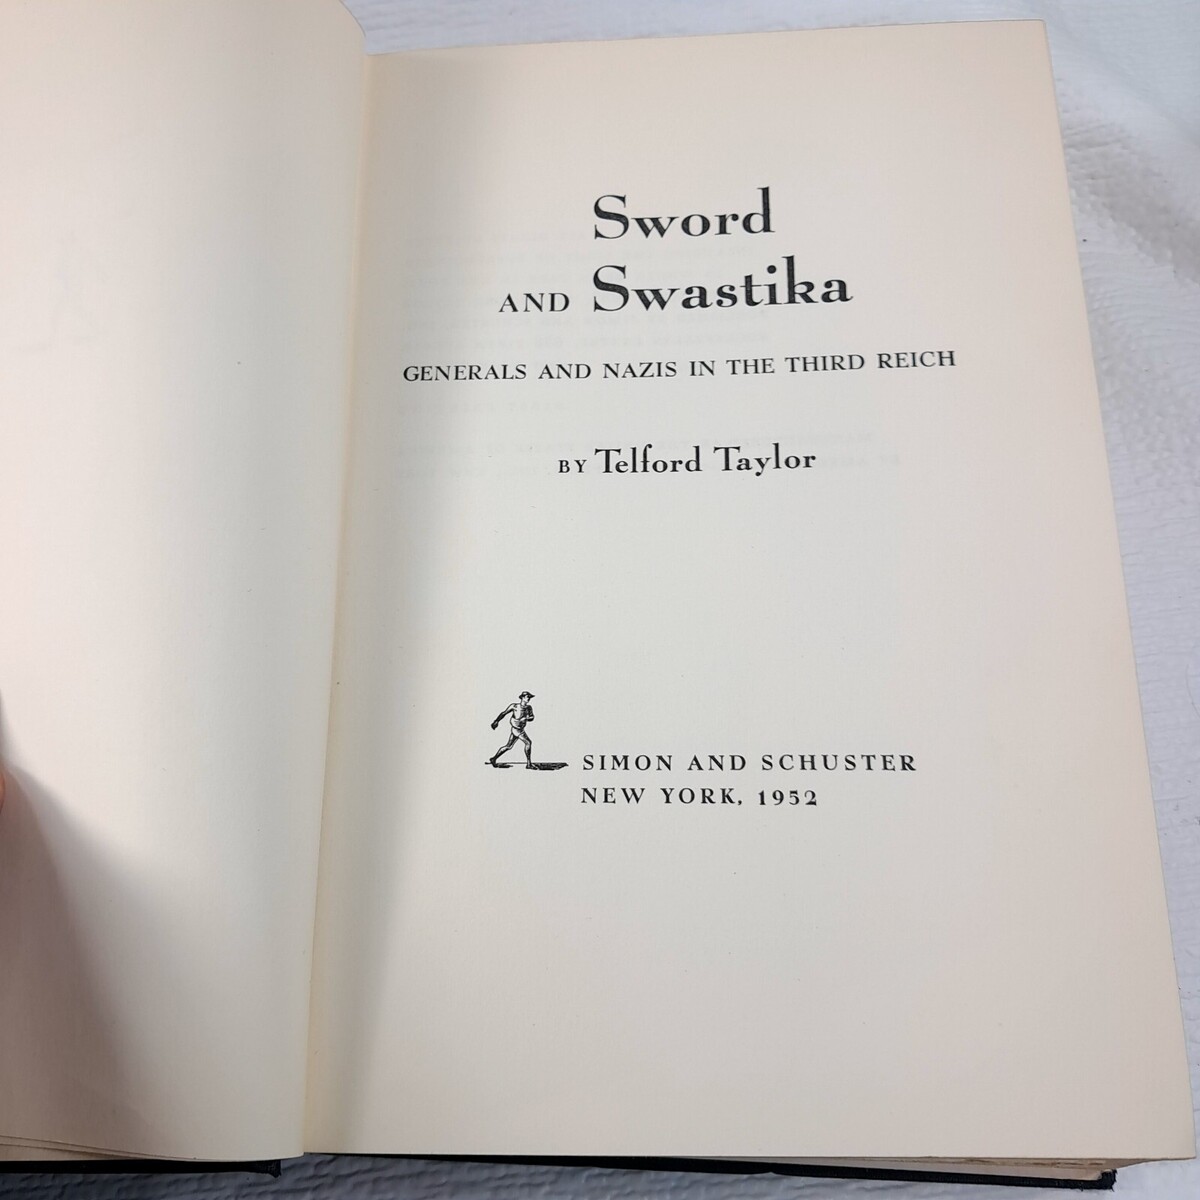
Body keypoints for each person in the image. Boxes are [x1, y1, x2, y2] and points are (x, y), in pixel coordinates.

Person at [489, 691, 535, 767]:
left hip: (520, 729)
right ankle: (529, 764)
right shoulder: (514, 706)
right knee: (528, 743)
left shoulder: (529, 708)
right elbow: (504, 713)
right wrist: (496, 721)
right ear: (522, 698)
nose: (529, 699)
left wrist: (526, 718)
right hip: (517, 730)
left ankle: (493, 759)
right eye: (528, 697)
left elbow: (532, 717)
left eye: (529, 697)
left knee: (508, 746)